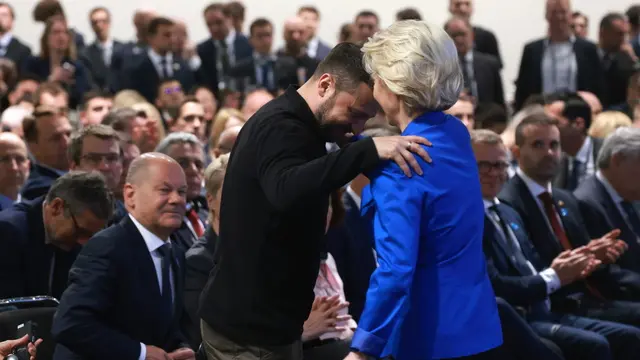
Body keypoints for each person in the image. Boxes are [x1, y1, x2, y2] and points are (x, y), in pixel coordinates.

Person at [198, 42, 432, 360]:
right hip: (247, 335)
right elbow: (286, 188)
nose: (358, 128)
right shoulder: (281, 126)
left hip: (270, 328)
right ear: (325, 85)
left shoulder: (304, 128)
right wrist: (368, 150)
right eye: (354, 114)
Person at [346, 20, 502, 360]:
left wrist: (362, 350)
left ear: (390, 84)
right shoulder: (456, 133)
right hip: (478, 327)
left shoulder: (400, 166)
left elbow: (395, 271)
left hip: (427, 339)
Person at [51, 153, 194, 360]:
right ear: (130, 196)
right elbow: (71, 324)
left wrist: (181, 348)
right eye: (164, 190)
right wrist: (141, 353)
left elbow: (167, 327)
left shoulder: (175, 253)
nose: (177, 199)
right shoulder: (108, 247)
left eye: (182, 191)